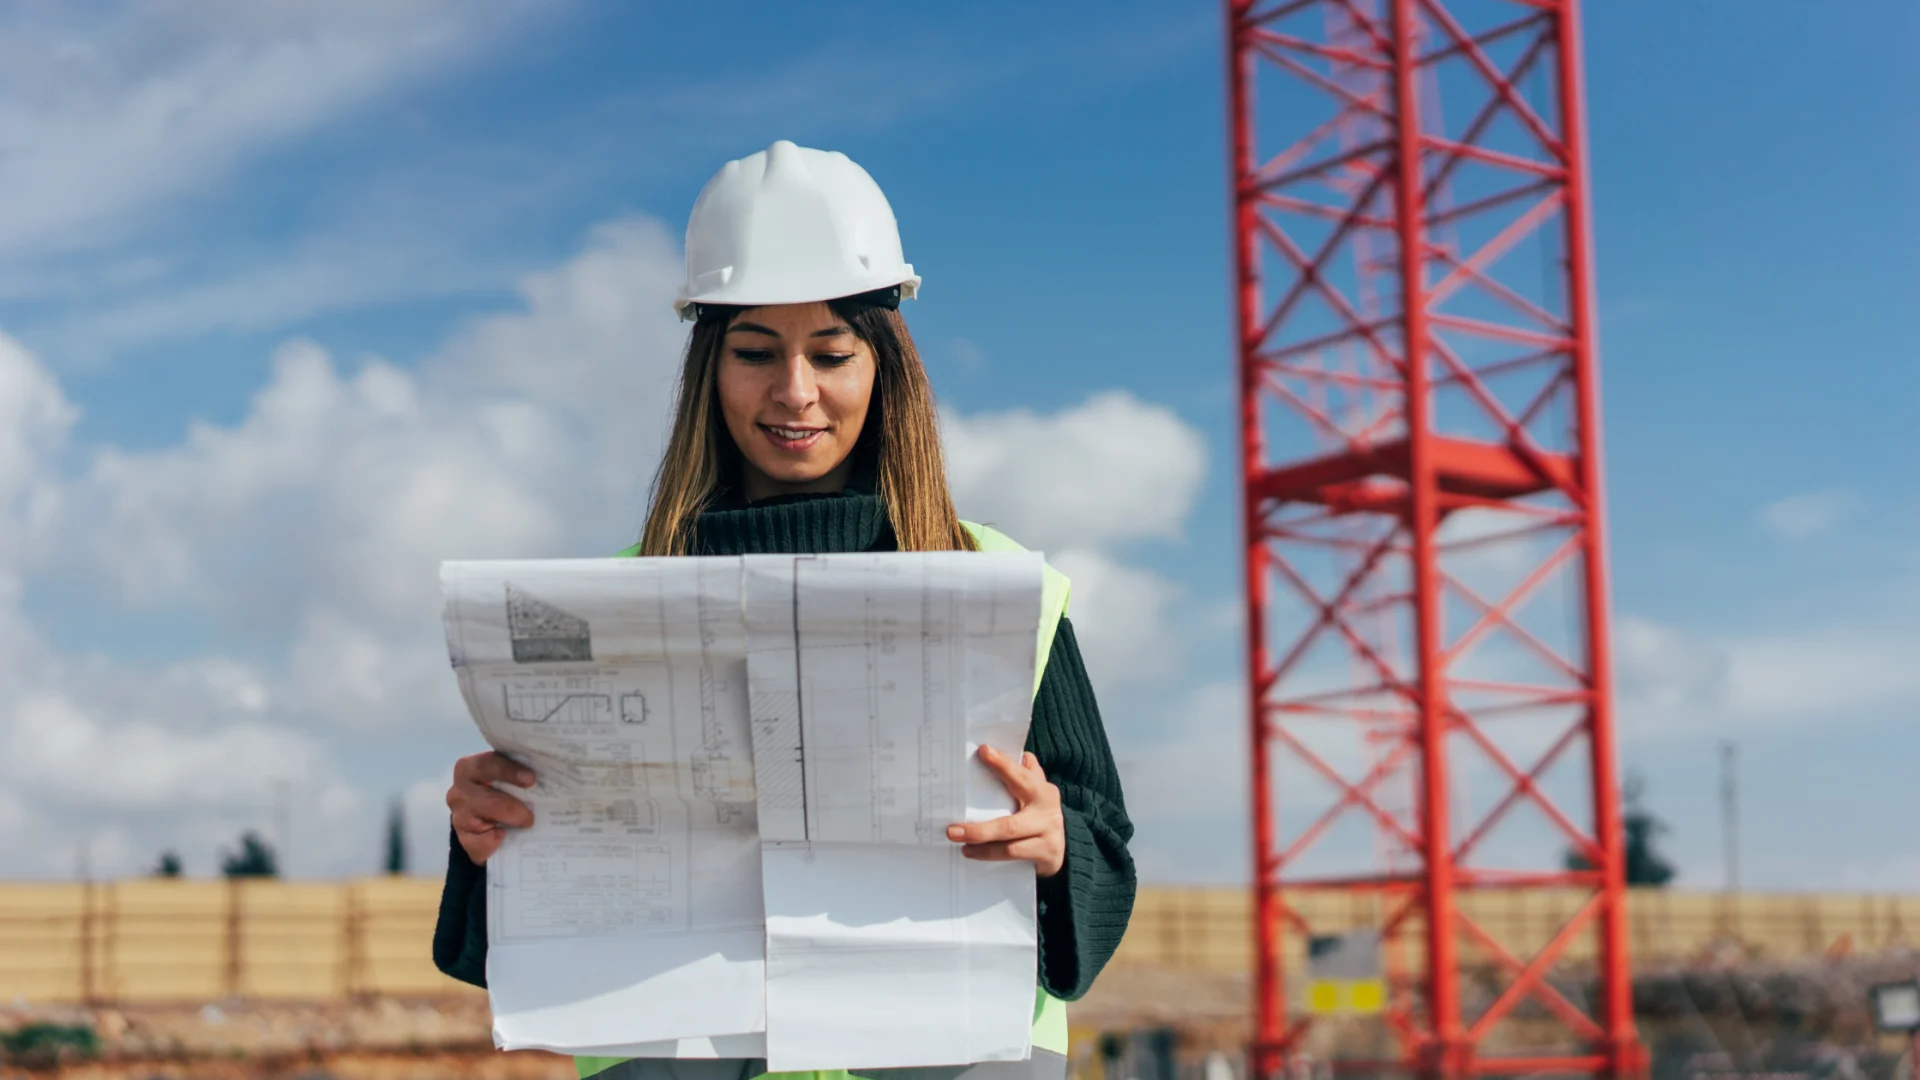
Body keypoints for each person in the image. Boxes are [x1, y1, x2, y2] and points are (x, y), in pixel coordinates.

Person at [432, 140, 1135, 1080]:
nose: (794, 392)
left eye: (831, 354)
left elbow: (1100, 851)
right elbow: (515, 938)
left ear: (884, 366)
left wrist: (1057, 846)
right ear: (706, 372)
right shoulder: (612, 600)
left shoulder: (994, 582)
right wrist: (485, 839)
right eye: (755, 352)